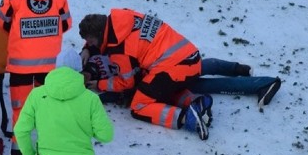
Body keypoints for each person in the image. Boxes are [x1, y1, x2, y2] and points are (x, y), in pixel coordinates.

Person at [77, 9, 214, 140]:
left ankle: (187, 117)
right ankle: (196, 102)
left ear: (100, 35)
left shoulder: (119, 50)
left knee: (139, 105)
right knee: (155, 91)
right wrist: (87, 49)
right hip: (190, 57)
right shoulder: (123, 17)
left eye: (91, 41)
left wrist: (100, 84)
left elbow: (126, 83)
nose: (90, 44)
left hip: (173, 68)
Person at [0, 0, 72, 155]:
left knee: (21, 112)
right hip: (50, 67)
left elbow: (1, 21)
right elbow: (67, 23)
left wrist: (21, 32)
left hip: (20, 65)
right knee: (46, 111)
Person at [84, 52, 282, 110]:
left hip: (160, 69)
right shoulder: (96, 89)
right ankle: (259, 82)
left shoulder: (93, 54)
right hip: (158, 80)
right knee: (205, 82)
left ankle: (238, 69)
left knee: (201, 68)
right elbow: (121, 94)